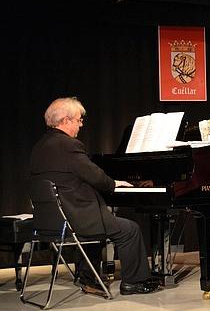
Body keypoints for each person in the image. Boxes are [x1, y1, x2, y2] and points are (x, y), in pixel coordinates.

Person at [29, 97, 160, 295]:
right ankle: (134, 282)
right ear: (65, 120)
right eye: (79, 120)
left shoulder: (39, 147)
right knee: (129, 230)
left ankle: (88, 277)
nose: (81, 125)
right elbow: (96, 177)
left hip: (52, 223)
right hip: (76, 219)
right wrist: (114, 183)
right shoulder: (68, 145)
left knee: (99, 230)